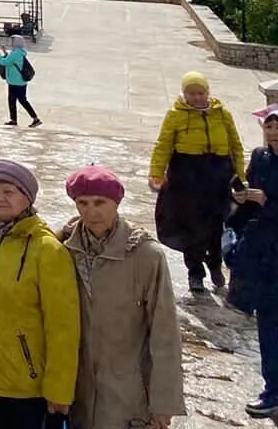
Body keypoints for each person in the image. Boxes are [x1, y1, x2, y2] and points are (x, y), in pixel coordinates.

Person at [59, 164, 184, 429]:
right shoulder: (65, 250)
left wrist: (163, 403)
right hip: (77, 391)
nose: (91, 212)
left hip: (128, 393)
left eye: (100, 202)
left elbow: (165, 333)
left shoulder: (145, 256)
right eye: (82, 203)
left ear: (116, 203)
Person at [0, 159, 79, 429]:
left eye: (9, 191)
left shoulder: (47, 250)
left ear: (26, 198)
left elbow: (64, 328)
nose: (0, 198)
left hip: (26, 386)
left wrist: (59, 390)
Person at [150, 70, 246, 292]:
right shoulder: (176, 115)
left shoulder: (222, 114)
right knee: (191, 225)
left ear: (207, 92)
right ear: (184, 94)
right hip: (188, 175)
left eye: (200, 92)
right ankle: (195, 272)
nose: (197, 98)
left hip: (218, 174)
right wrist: (157, 172)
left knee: (216, 223)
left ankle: (214, 264)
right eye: (191, 93)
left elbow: (235, 145)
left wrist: (240, 176)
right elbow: (163, 144)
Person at [226, 106, 278, 418]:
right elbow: (247, 201)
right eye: (270, 126)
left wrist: (268, 203)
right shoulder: (261, 157)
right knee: (269, 319)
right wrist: (241, 198)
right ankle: (275, 389)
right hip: (262, 253)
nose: (274, 133)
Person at [0, 37, 42, 127]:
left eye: (12, 41)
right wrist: (5, 53)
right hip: (20, 82)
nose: (10, 42)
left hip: (14, 82)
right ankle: (34, 118)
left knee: (12, 101)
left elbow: (4, 62)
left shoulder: (15, 53)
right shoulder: (19, 52)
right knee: (22, 100)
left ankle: (15, 120)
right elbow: (11, 61)